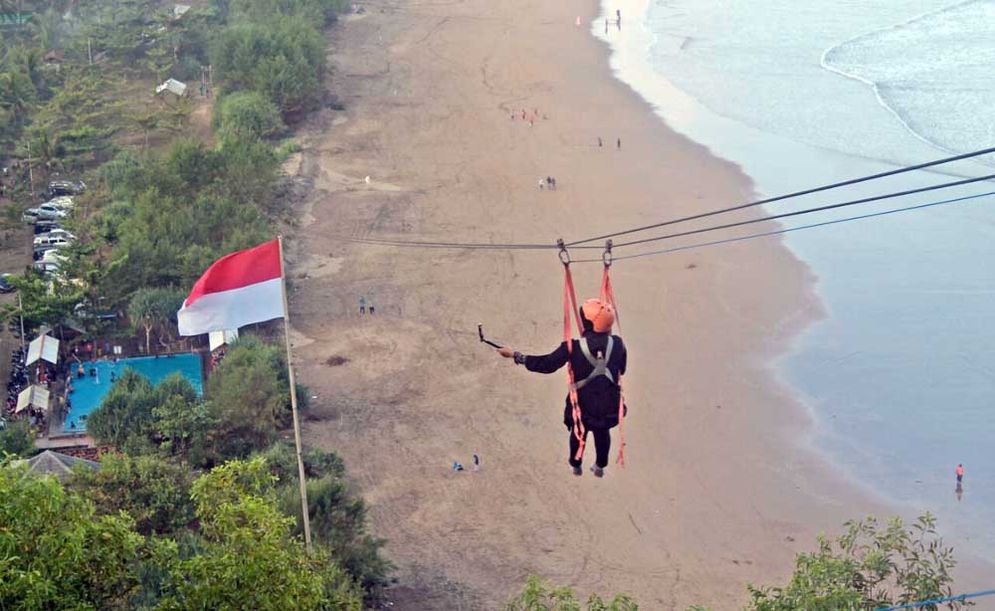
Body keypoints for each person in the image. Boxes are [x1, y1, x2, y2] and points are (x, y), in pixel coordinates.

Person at [498, 298, 627, 477]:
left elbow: (546, 365)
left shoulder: (572, 347)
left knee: (578, 433)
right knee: (602, 433)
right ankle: (599, 466)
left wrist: (515, 355)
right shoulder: (618, 344)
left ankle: (576, 464)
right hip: (608, 405)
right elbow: (622, 369)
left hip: (583, 406)